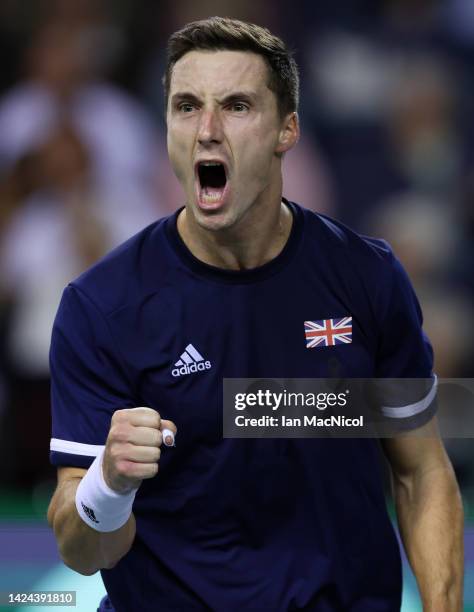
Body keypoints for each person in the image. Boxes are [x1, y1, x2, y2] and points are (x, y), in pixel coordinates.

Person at [47, 17, 463, 612]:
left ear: (286, 130)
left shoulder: (366, 277)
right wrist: (107, 485)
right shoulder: (103, 306)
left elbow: (420, 471)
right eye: (186, 106)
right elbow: (83, 550)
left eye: (237, 106)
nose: (207, 131)